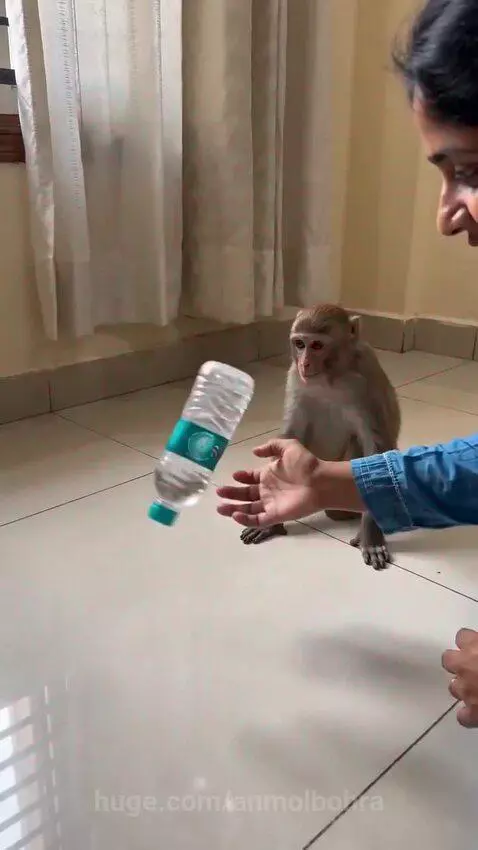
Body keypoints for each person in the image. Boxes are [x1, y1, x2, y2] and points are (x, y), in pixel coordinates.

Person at [217, 0, 478, 729]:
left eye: (472, 172)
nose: (446, 216)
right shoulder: (303, 374)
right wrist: (337, 485)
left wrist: (366, 502)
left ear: (352, 341)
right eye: (443, 173)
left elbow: (379, 434)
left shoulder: (361, 373)